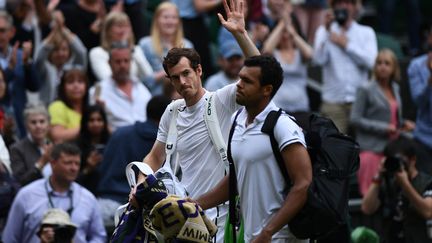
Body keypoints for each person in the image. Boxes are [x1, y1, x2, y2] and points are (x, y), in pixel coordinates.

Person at [132, 0, 260, 242]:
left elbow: (261, 69)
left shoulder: (220, 100)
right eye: (175, 78)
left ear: (199, 71)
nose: (182, 82)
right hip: (183, 216)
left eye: (186, 73)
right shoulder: (172, 111)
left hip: (219, 217)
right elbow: (155, 157)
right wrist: (141, 183)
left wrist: (241, 33)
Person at [195, 54, 312, 242]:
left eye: (247, 81)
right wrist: (196, 204)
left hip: (282, 237)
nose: (238, 84)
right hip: (253, 237)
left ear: (266, 90)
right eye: (240, 77)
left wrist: (268, 231)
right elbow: (235, 179)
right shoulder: (236, 121)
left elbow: (303, 184)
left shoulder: (283, 126)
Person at [2, 142, 106, 243]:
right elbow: (10, 238)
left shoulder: (88, 198)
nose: (74, 168)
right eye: (68, 163)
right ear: (53, 163)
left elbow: (99, 237)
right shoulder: (27, 195)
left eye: (77, 164)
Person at [96, 95, 170, 229]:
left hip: (105, 206)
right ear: (167, 117)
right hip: (139, 210)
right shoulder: (165, 143)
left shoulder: (120, 132)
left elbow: (102, 170)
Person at [350, 49, 415, 196]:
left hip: (392, 150)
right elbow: (355, 119)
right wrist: (384, 128)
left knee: (392, 197)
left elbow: (393, 118)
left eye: (387, 63)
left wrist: (404, 123)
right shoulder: (365, 89)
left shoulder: (395, 88)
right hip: (372, 150)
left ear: (394, 68)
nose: (383, 67)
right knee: (370, 197)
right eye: (379, 63)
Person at [313, 0, 377, 134]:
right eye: (339, 3)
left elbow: (372, 62)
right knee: (335, 149)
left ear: (355, 7)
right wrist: (326, 30)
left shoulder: (366, 32)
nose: (343, 6)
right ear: (333, 7)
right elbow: (318, 60)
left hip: (360, 102)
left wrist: (347, 46)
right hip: (333, 103)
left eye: (348, 3)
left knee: (362, 148)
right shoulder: (323, 31)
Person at [361, 137, 432, 243]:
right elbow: (367, 208)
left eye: (400, 160)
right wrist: (378, 176)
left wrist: (405, 185)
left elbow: (428, 211)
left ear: (413, 160)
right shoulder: (389, 183)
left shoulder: (427, 182)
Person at [89, 42, 152, 131]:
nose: (122, 65)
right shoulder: (98, 92)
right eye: (118, 62)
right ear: (109, 63)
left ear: (131, 62)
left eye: (126, 61)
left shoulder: (142, 89)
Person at [262, 7, 312, 114]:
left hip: (301, 108)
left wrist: (292, 32)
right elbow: (266, 50)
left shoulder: (300, 53)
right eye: (282, 32)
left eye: (287, 31)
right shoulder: (274, 54)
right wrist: (282, 23)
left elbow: (309, 54)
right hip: (277, 108)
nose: (285, 35)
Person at [138, 2, 193, 95]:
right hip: (155, 96)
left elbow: (191, 77)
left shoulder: (187, 45)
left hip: (182, 95)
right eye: (166, 17)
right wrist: (171, 70)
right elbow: (144, 80)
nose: (170, 21)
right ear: (156, 20)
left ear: (178, 21)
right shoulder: (145, 44)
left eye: (174, 17)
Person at [0, 10, 39, 138]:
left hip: (20, 119)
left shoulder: (21, 55)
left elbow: (34, 86)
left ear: (12, 32)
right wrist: (10, 69)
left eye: (2, 30)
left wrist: (27, 63)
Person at [34, 16, 87, 105]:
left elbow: (82, 52)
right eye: (56, 50)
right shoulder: (44, 68)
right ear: (50, 52)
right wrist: (54, 33)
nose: (61, 53)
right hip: (48, 112)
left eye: (64, 49)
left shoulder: (73, 68)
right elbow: (39, 58)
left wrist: (63, 29)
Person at [89, 11, 153, 82]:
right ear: (107, 30)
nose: (123, 30)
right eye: (119, 26)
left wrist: (130, 49)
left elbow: (149, 75)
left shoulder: (136, 50)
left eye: (126, 26)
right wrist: (123, 44)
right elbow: (106, 78)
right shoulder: (97, 53)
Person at [407, 26, 432, 175]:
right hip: (424, 139)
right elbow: (418, 101)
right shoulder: (416, 65)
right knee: (427, 191)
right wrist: (429, 83)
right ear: (429, 38)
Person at [9, 103, 53, 186]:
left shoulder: (54, 146)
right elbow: (20, 182)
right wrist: (41, 163)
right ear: (26, 125)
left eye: (42, 121)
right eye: (33, 122)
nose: (38, 126)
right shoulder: (17, 149)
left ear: (48, 124)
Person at [75, 105, 110, 194]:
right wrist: (88, 168)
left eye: (99, 120)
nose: (96, 124)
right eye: (91, 120)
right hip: (84, 191)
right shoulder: (77, 147)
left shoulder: (111, 143)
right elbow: (73, 181)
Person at [48, 68, 89, 143]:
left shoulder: (89, 108)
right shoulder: (57, 106)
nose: (76, 86)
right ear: (63, 87)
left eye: (80, 82)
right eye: (70, 82)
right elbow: (57, 136)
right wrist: (87, 127)